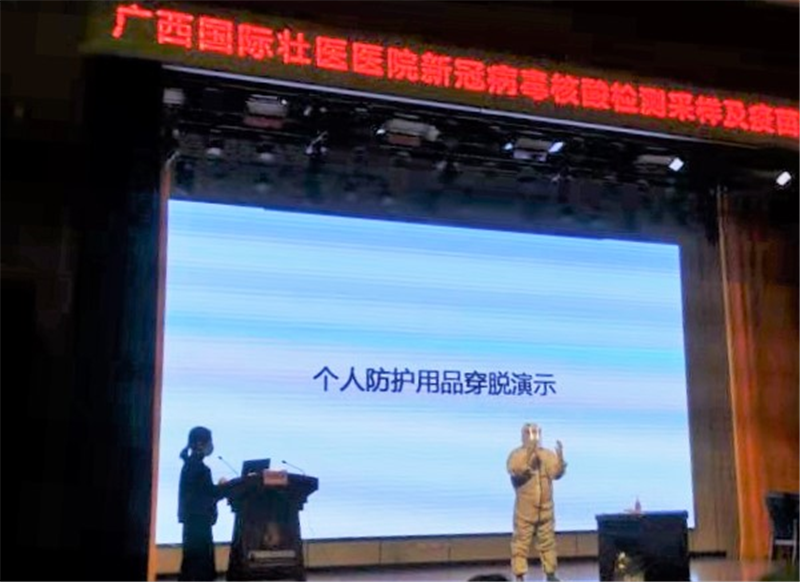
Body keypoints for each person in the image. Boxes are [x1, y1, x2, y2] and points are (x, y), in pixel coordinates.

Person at [506, 423, 567, 582]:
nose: (534, 436)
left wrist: (560, 460)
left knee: (548, 543)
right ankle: (519, 575)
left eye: (536, 433)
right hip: (525, 510)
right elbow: (516, 470)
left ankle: (550, 573)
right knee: (520, 544)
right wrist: (529, 454)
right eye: (530, 433)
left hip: (545, 509)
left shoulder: (546, 455)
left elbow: (555, 474)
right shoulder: (516, 455)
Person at [178, 426, 228, 581]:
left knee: (192, 564)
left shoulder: (189, 464)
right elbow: (209, 495)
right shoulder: (200, 468)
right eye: (209, 442)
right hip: (199, 523)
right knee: (200, 567)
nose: (211, 446)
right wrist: (224, 488)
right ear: (200, 444)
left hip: (193, 521)